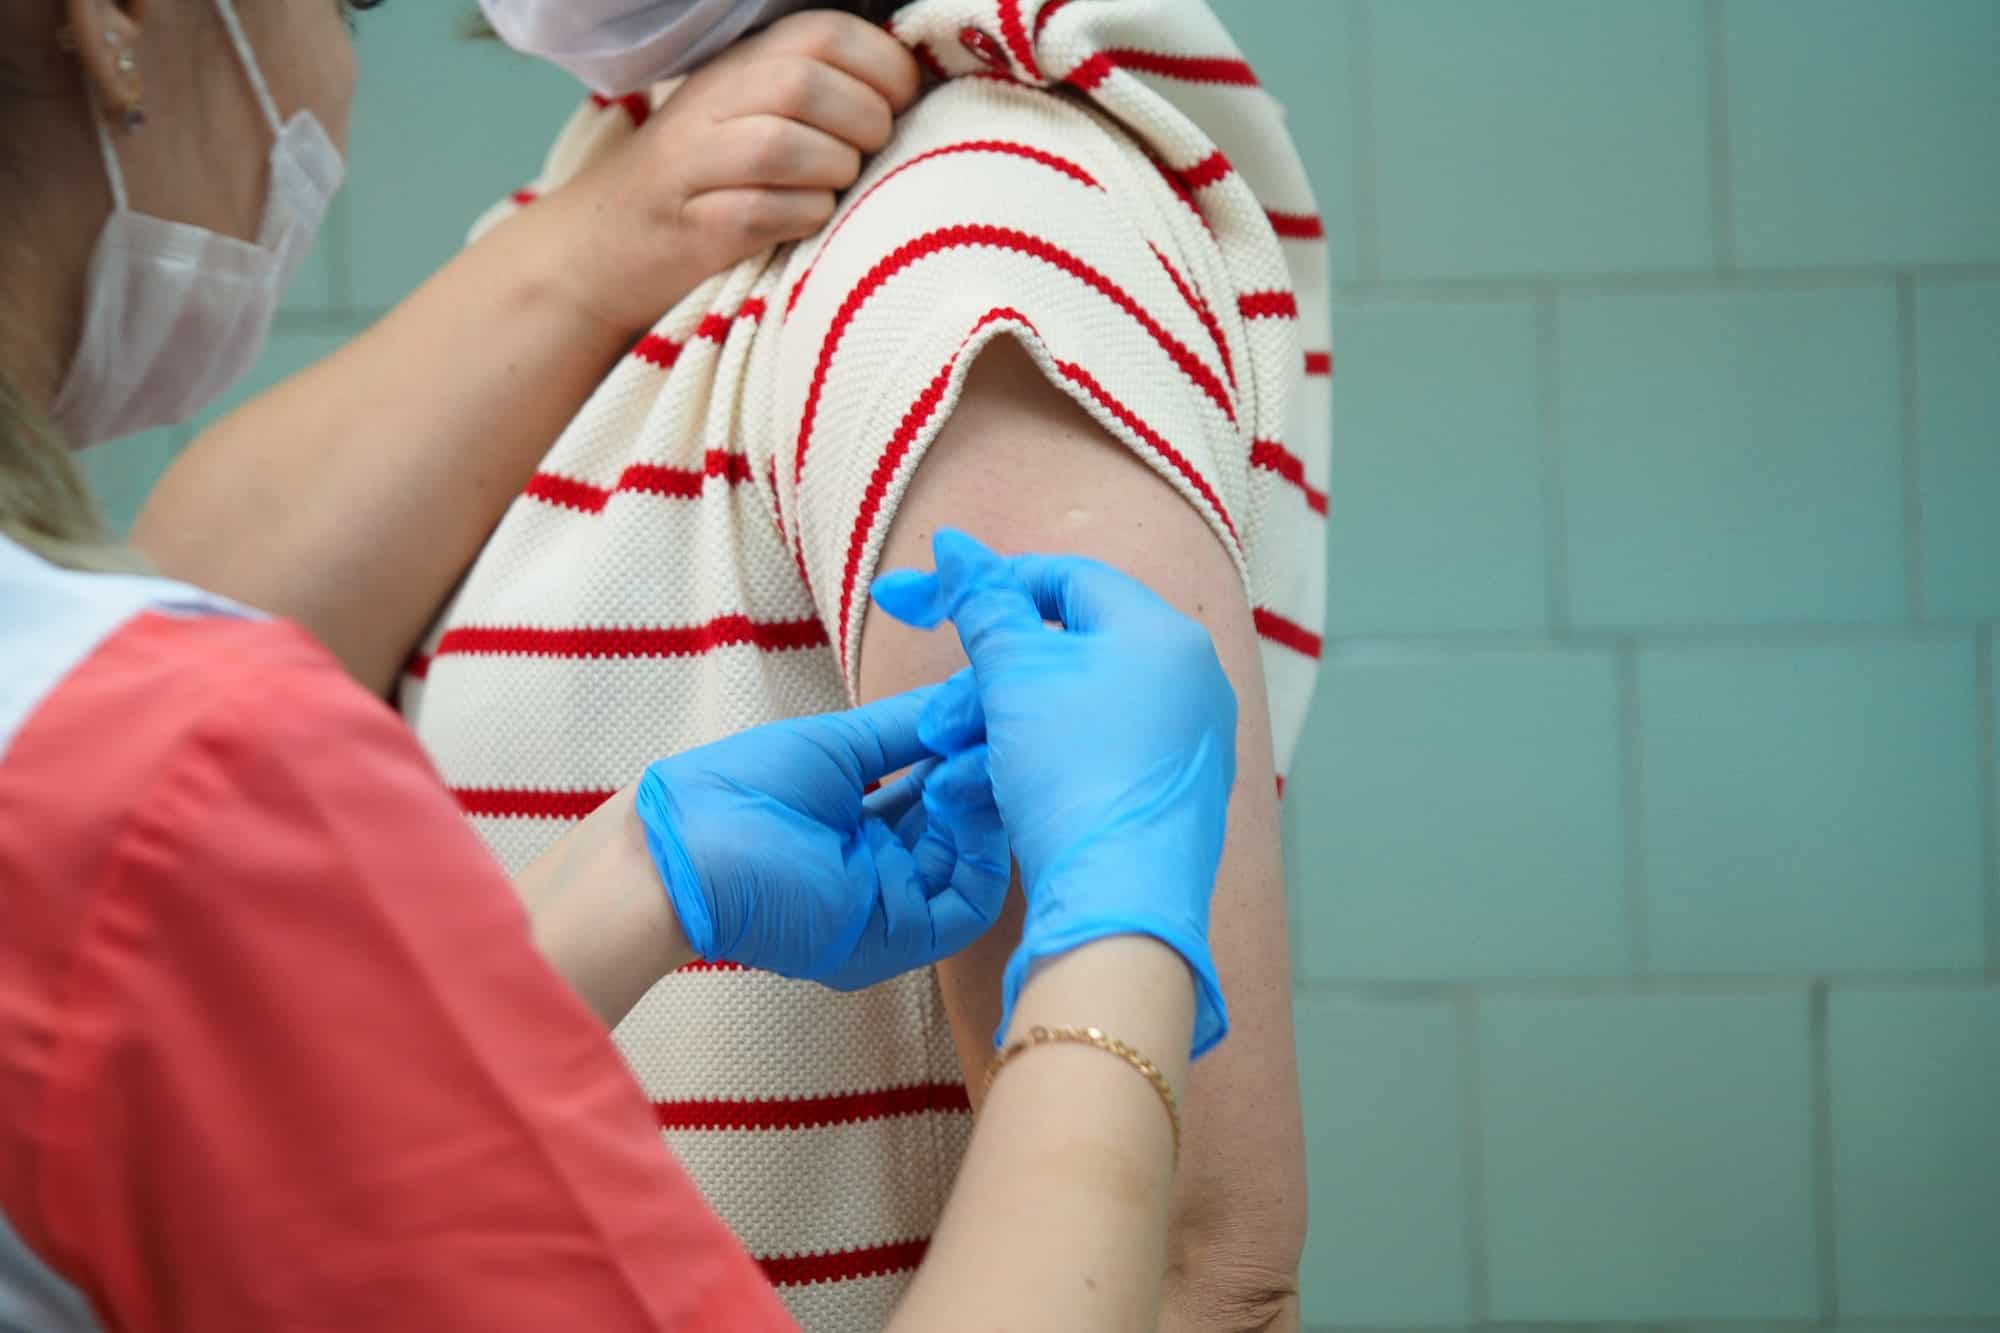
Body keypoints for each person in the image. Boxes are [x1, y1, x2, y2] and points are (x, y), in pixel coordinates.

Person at [0, 3, 1242, 1327]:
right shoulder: (175, 777)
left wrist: (627, 882)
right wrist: (1112, 951)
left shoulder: (986, 246)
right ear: (115, 27)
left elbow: (1215, 1268)